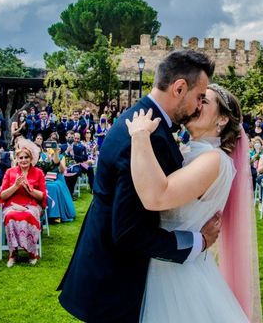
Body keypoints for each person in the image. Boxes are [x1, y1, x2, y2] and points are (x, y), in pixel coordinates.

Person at [58, 49, 225, 323]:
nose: (198, 106)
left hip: (105, 267)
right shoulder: (149, 138)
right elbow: (129, 232)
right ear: (179, 88)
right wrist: (198, 241)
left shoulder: (140, 120)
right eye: (198, 97)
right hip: (116, 280)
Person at [125, 84, 261, 322]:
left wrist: (140, 135)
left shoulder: (212, 160)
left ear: (222, 120)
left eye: (204, 102)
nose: (196, 105)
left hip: (178, 275)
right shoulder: (193, 152)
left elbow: (159, 196)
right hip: (165, 260)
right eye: (197, 99)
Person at [0, 140, 47, 267]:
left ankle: (32, 252)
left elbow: (42, 195)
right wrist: (15, 186)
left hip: (32, 204)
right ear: (17, 159)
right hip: (12, 204)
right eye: (21, 158)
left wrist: (29, 189)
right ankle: (13, 253)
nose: (24, 160)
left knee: (29, 215)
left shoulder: (38, 172)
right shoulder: (10, 172)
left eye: (26, 157)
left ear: (31, 159)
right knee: (10, 216)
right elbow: (2, 195)